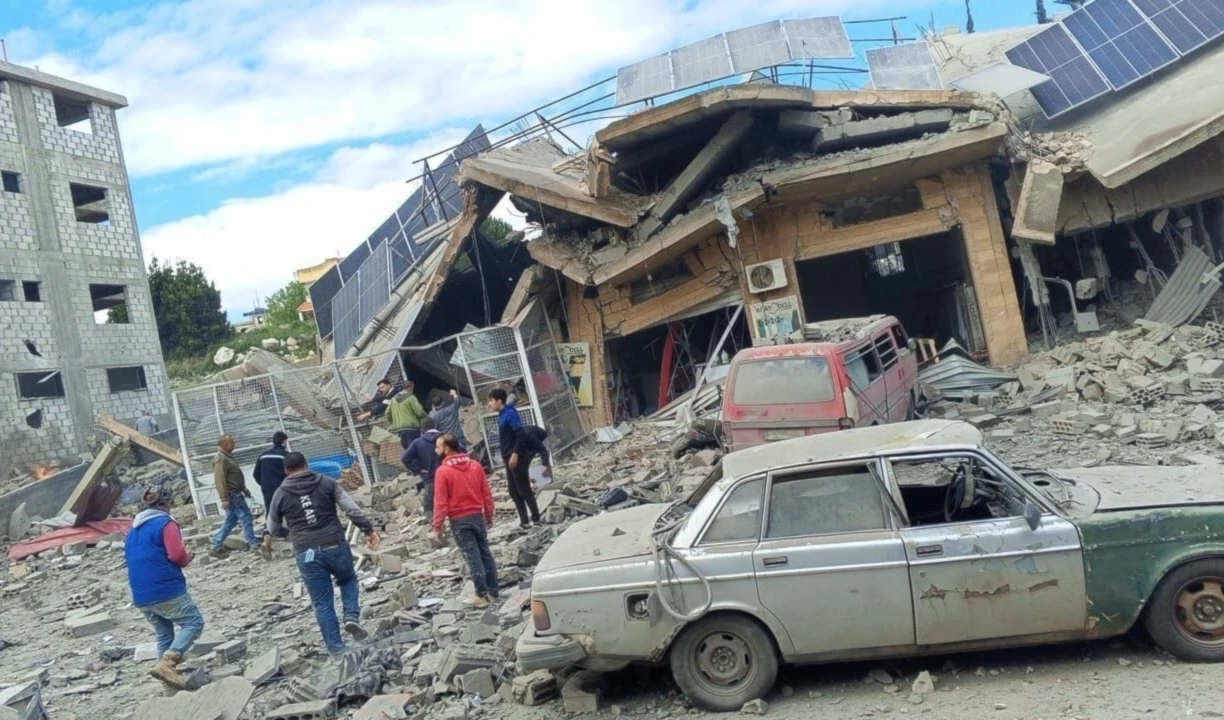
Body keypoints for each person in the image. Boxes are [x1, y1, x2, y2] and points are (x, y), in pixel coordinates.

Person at [268, 451, 381, 657]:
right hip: (334, 544)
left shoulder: (280, 493)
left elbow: (273, 527)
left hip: (306, 551)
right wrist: (368, 530)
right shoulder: (326, 482)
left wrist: (291, 535)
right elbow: (351, 509)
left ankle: (337, 650)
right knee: (348, 580)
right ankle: (351, 617)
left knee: (322, 602)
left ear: (286, 471)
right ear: (307, 464)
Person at [125, 484, 205, 689]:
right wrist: (187, 558)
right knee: (193, 622)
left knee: (164, 635)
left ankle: (169, 686)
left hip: (141, 594)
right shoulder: (165, 523)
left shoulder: (133, 530)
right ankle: (168, 663)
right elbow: (176, 555)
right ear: (167, 503)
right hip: (165, 588)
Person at [432, 433, 498, 608]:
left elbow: (441, 501)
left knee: (472, 557)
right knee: (485, 553)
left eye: (438, 447)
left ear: (446, 449)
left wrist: (437, 526)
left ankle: (481, 594)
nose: (436, 450)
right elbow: (486, 493)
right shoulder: (475, 466)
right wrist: (489, 515)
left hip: (460, 520)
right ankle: (493, 590)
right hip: (478, 515)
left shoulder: (443, 471)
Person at [488, 388, 541, 528]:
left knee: (524, 489)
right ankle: (524, 521)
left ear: (499, 401)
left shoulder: (510, 414)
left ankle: (536, 519)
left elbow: (520, 435)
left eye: (491, 400)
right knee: (513, 491)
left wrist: (515, 454)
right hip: (508, 457)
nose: (489, 404)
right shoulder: (502, 414)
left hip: (516, 457)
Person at [210, 435, 258, 556]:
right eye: (232, 442)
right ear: (225, 445)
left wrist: (243, 489)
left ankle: (216, 544)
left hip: (235, 493)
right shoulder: (220, 458)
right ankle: (253, 543)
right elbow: (220, 479)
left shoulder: (227, 457)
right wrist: (224, 498)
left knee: (231, 521)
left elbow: (234, 476)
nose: (234, 444)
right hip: (232, 495)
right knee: (246, 517)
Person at [253, 431, 289, 560]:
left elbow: (255, 474)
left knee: (270, 515)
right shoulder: (285, 456)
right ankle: (292, 538)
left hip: (267, 490)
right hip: (283, 489)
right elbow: (291, 473)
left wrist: (264, 484)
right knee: (290, 512)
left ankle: (266, 541)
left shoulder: (263, 456)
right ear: (284, 441)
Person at [402, 417, 443, 524]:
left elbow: (405, 458)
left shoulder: (417, 443)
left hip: (429, 478)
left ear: (422, 429)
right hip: (449, 477)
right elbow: (460, 451)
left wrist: (419, 469)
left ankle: (435, 527)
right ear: (435, 425)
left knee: (429, 507)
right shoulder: (445, 438)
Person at [387, 380, 428, 448]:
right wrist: (426, 417)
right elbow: (419, 411)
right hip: (412, 428)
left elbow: (387, 413)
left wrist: (394, 423)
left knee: (408, 450)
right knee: (416, 448)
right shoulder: (411, 398)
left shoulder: (393, 400)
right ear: (410, 387)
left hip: (400, 429)